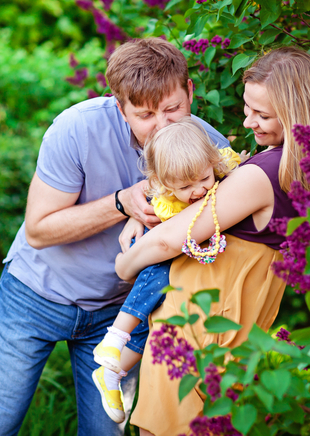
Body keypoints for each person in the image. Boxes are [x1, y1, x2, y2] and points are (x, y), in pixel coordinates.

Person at [0, 37, 229, 436]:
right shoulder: (76, 128)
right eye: (145, 115)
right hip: (35, 295)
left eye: (173, 109)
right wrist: (122, 203)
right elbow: (38, 230)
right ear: (121, 109)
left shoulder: (209, 147)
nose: (162, 126)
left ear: (190, 92)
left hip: (118, 315)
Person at [114, 47, 310, 436]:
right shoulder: (303, 171)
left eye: (262, 114)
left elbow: (169, 240)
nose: (248, 121)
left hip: (197, 330)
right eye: (248, 108)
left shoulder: (263, 174)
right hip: (234, 331)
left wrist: (124, 266)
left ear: (293, 114)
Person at [92, 119, 242, 423]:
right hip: (163, 257)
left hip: (193, 269)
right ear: (165, 183)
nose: (198, 190)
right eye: (184, 187)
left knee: (150, 324)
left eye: (204, 179)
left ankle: (111, 373)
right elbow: (162, 236)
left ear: (212, 162)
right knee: (158, 274)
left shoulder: (223, 170)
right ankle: (114, 337)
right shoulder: (165, 201)